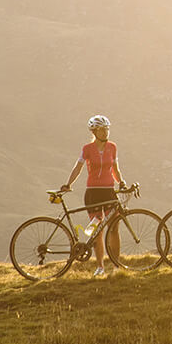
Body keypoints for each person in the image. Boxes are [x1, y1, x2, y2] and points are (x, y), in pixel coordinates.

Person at [60, 114, 124, 276]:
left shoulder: (112, 147)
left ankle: (116, 265)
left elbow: (115, 169)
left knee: (114, 228)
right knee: (97, 231)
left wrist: (121, 182)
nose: (105, 133)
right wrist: (68, 184)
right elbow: (78, 168)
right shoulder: (87, 149)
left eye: (107, 129)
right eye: (102, 130)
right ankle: (100, 266)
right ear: (94, 131)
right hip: (93, 192)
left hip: (109, 191)